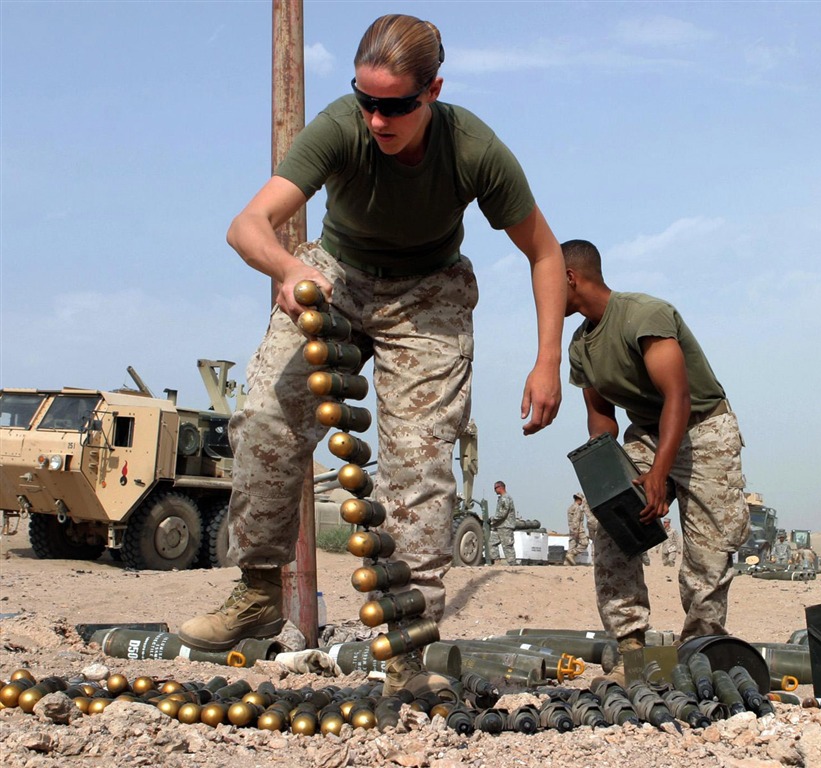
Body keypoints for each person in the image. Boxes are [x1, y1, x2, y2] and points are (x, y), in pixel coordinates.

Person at [178, 14, 565, 692]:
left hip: (429, 300)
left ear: (433, 92)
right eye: (366, 100)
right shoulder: (340, 127)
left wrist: (547, 360)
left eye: (395, 106)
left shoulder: (473, 148)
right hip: (338, 278)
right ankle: (258, 588)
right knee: (264, 420)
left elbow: (544, 251)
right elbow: (248, 226)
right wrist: (287, 269)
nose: (378, 119)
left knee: (417, 478)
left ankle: (406, 655)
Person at [562, 238, 750, 678]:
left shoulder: (644, 315)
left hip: (704, 428)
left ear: (570, 278)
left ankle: (701, 648)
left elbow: (679, 397)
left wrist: (659, 475)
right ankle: (630, 645)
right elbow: (601, 418)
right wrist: (611, 477)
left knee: (710, 552)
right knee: (605, 516)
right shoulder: (580, 346)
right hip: (647, 432)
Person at [489, 481, 518, 565]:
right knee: (492, 543)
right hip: (498, 526)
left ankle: (513, 565)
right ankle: (497, 562)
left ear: (501, 487)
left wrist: (492, 519)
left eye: (495, 488)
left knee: (507, 546)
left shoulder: (505, 498)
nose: (494, 490)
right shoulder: (501, 498)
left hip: (506, 526)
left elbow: (502, 513)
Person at [565, 492, 591, 566]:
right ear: (579, 499)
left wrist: (573, 530)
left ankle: (567, 562)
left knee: (572, 544)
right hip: (578, 529)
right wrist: (576, 531)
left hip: (571, 529)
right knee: (585, 543)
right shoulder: (577, 508)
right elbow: (576, 520)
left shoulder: (570, 507)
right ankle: (571, 554)